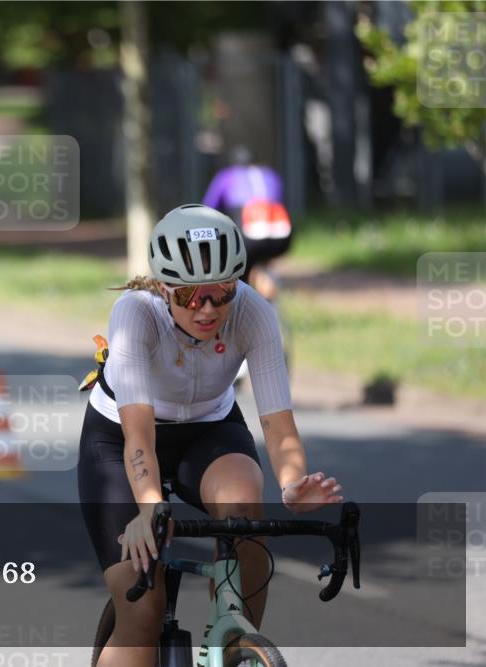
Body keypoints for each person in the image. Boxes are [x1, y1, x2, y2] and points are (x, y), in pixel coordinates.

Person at [78, 205, 342, 666]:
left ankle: (234, 637)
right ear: (165, 288)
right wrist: (149, 507)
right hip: (122, 440)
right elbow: (138, 436)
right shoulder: (135, 315)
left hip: (209, 430)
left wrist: (292, 483)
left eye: (221, 294)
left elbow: (279, 425)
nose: (207, 309)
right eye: (189, 296)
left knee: (244, 507)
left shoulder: (253, 312)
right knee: (143, 611)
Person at [202, 146, 291, 301]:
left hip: (249, 237)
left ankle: (244, 301)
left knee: (239, 272)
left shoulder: (226, 176)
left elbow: (208, 210)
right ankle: (268, 288)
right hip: (282, 236)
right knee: (263, 256)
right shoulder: (270, 174)